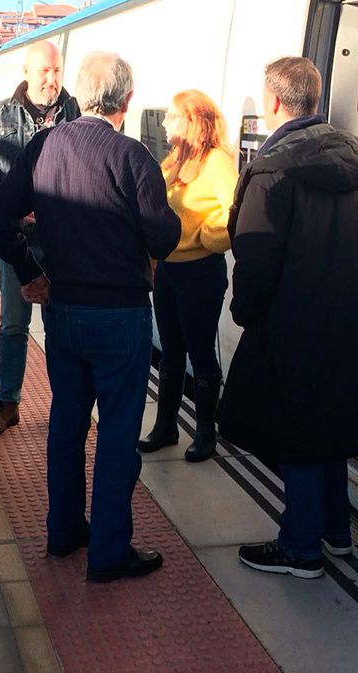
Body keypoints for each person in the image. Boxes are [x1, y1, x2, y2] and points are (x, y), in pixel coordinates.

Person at [0, 52, 181, 583]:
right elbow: (164, 237)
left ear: (82, 94)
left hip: (64, 312)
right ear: (127, 100)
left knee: (68, 423)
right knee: (117, 432)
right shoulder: (133, 156)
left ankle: (64, 531)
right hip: (121, 317)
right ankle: (109, 551)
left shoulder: (44, 145)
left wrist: (30, 272)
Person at [218, 57, 358, 579]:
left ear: (275, 101)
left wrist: (244, 311)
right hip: (354, 319)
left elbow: (255, 257)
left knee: (297, 432)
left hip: (295, 325)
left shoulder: (272, 171)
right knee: (332, 426)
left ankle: (300, 546)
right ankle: (337, 532)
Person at [0, 40, 81, 437]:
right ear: (27, 73)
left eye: (57, 70)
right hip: (17, 240)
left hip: (61, 242)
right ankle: (7, 404)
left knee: (60, 326)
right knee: (13, 324)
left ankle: (65, 405)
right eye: (44, 70)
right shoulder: (2, 114)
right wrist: (10, 206)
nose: (52, 78)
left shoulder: (74, 112)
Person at [137, 89, 236, 462]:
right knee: (171, 352)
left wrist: (204, 237)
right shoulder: (173, 161)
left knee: (200, 351)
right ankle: (166, 426)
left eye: (172, 116)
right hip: (169, 271)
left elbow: (231, 215)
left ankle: (206, 432)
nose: (164, 123)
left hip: (200, 271)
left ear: (194, 121)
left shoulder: (218, 162)